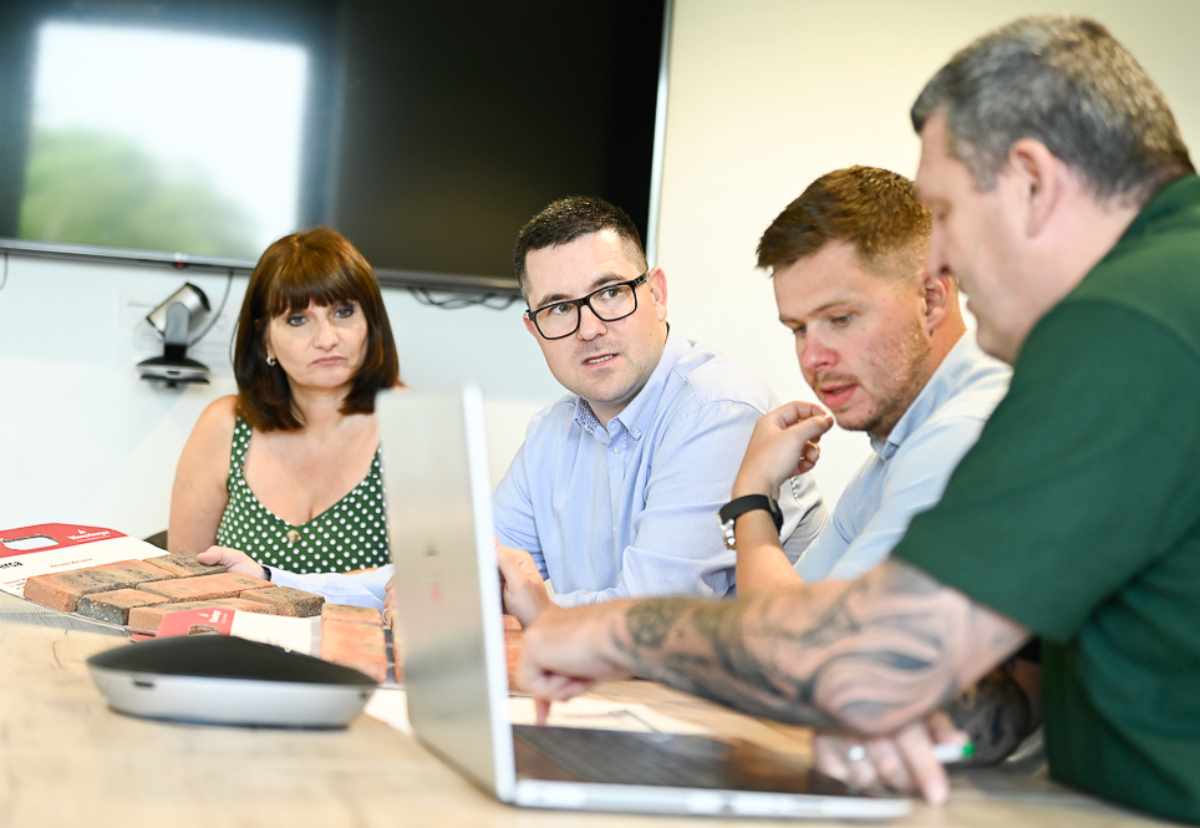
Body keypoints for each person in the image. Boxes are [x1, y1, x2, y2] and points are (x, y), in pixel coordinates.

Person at [514, 16, 1200, 824]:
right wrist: (935, 723)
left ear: (1031, 180)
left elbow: (859, 657)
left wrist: (597, 633)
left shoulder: (1126, 322)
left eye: (943, 212)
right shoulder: (1161, 298)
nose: (937, 260)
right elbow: (1025, 681)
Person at [494, 196, 826, 626]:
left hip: (753, 684)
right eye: (559, 308)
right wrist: (414, 594)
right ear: (535, 329)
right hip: (621, 685)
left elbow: (649, 617)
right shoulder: (551, 433)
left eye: (610, 293)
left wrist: (526, 613)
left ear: (657, 294)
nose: (590, 329)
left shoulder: (719, 408)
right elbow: (478, 567)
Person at [736, 166, 1010, 594]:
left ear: (931, 299)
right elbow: (786, 620)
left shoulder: (962, 438)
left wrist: (752, 495)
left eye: (840, 318)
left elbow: (791, 646)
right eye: (798, 328)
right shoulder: (898, 443)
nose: (812, 357)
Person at [170, 227, 401, 595]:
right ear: (265, 338)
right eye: (297, 319)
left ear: (371, 323)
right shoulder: (225, 425)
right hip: (234, 648)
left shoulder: (412, 426)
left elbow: (437, 584)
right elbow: (182, 582)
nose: (327, 338)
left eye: (343, 312)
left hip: (361, 649)